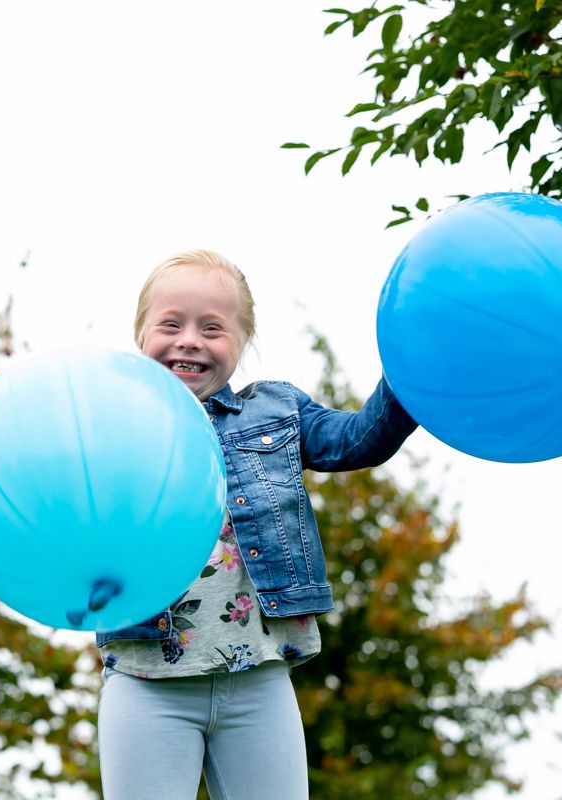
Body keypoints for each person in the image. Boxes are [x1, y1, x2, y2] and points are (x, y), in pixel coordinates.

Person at [95, 249, 418, 799]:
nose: (190, 339)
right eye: (170, 324)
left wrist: (414, 372)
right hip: (146, 680)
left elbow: (359, 439)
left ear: (241, 344)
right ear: (140, 336)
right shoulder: (107, 424)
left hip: (259, 681)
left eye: (212, 327)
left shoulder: (274, 411)